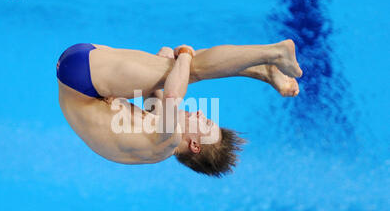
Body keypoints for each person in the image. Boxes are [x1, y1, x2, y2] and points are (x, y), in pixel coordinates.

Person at [56, 40, 302, 177]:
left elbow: (173, 94)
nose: (200, 114)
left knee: (191, 69)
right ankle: (261, 70)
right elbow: (156, 95)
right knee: (177, 70)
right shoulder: (158, 145)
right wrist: (167, 61)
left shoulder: (169, 139)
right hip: (80, 76)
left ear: (195, 145)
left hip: (82, 79)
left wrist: (183, 55)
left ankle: (273, 54)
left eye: (204, 123)